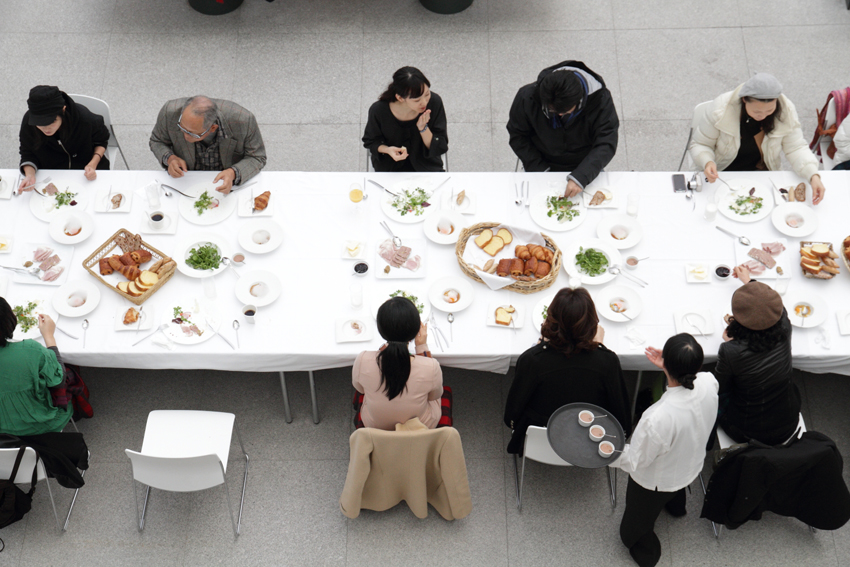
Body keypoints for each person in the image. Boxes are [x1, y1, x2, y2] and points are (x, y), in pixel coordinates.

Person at [614, 334, 718, 567]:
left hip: (656, 481)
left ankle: (646, 552)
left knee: (635, 524)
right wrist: (671, 367)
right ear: (698, 365)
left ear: (667, 364)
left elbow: (636, 462)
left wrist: (608, 453)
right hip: (691, 464)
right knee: (673, 492)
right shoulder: (709, 382)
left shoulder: (656, 418)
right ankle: (676, 508)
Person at [503, 287, 630, 454]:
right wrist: (599, 347)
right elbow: (623, 421)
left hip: (540, 440)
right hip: (589, 440)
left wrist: (542, 346)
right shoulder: (608, 362)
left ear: (550, 321)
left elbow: (511, 416)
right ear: (592, 324)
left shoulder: (532, 360)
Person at [688, 73, 826, 205]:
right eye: (757, 111)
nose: (763, 116)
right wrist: (707, 162)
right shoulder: (720, 108)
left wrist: (813, 175)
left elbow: (795, 147)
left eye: (769, 110)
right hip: (722, 173)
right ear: (744, 100)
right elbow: (700, 144)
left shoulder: (786, 110)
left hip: (763, 174)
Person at [506, 60, 619, 198]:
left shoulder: (601, 100)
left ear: (579, 101)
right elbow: (517, 135)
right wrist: (539, 168)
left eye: (565, 112)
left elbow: (607, 142)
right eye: (552, 111)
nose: (559, 115)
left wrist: (582, 176)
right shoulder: (527, 97)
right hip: (541, 161)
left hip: (586, 163)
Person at [714, 267, 800, 445]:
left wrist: (730, 342)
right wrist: (749, 282)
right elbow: (776, 306)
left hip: (746, 430)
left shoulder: (731, 351)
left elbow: (720, 387)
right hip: (789, 422)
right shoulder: (784, 325)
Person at [352, 297, 443, 430]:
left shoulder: (362, 359)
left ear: (380, 329)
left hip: (375, 427)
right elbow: (434, 396)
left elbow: (360, 389)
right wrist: (422, 347)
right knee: (432, 388)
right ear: (416, 330)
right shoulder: (431, 366)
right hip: (420, 427)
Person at [149, 96, 267, 195]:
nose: (185, 136)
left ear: (212, 128)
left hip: (226, 184)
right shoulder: (169, 112)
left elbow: (257, 157)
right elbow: (157, 140)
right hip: (185, 180)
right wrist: (170, 158)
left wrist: (233, 173)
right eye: (181, 127)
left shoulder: (244, 121)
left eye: (192, 133)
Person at [0, 298, 72, 436]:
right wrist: (49, 336)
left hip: (3, 434)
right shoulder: (29, 350)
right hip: (39, 425)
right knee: (69, 373)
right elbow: (59, 379)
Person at [18, 85, 109, 193]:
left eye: (51, 122)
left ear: (63, 110)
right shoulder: (29, 123)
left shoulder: (85, 119)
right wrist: (30, 175)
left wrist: (93, 163)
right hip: (51, 176)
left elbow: (101, 140)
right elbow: (27, 152)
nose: (46, 129)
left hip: (85, 173)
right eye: (39, 124)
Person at [363, 67, 448, 172]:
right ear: (400, 98)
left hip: (426, 165)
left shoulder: (434, 102)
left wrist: (423, 128)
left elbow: (440, 145)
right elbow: (370, 141)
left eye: (427, 95)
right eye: (417, 100)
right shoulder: (379, 110)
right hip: (390, 167)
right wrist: (387, 150)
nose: (425, 102)